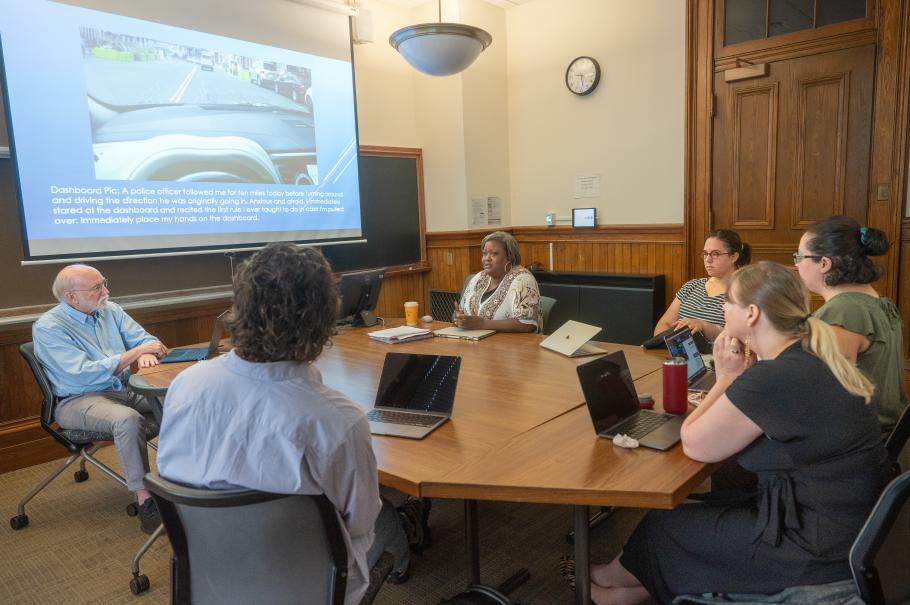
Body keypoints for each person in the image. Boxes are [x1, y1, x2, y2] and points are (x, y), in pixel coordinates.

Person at [589, 262, 889, 605]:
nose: (721, 308)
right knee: (695, 507)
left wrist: (728, 378)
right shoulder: (810, 355)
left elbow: (694, 443)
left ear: (751, 314)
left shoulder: (775, 377)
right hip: (847, 526)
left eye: (728, 302)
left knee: (665, 525)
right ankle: (617, 587)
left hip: (813, 546)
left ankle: (602, 586)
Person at [156, 243, 412, 605]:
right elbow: (360, 522)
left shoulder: (186, 385)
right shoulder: (337, 420)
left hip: (214, 572)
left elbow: (169, 471)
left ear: (239, 308)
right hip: (309, 587)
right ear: (325, 318)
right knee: (388, 518)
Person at [32, 264, 168, 534]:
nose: (106, 291)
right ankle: (146, 501)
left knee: (182, 401)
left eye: (104, 283)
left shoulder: (110, 310)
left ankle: (185, 481)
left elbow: (147, 341)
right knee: (128, 420)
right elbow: (82, 375)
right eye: (97, 287)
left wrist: (143, 353)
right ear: (71, 297)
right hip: (78, 399)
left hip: (124, 387)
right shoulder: (48, 327)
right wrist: (137, 352)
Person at [796, 215, 908, 433]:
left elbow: (827, 396)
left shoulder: (843, 311)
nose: (796, 264)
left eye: (800, 256)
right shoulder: (876, 300)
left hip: (862, 439)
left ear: (824, 264)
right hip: (885, 432)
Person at [654, 229, 750, 341]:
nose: (708, 259)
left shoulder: (744, 292)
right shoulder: (691, 286)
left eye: (715, 254)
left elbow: (745, 338)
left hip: (718, 356)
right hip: (679, 355)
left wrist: (705, 327)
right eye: (705, 253)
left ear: (734, 257)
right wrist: (677, 348)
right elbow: (663, 324)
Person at [455, 231, 541, 333]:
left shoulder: (523, 280)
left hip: (513, 345)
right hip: (474, 342)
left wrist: (482, 324)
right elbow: (460, 312)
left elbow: (527, 324)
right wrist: (459, 318)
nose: (487, 258)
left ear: (509, 256)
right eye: (485, 253)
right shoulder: (478, 278)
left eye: (494, 253)